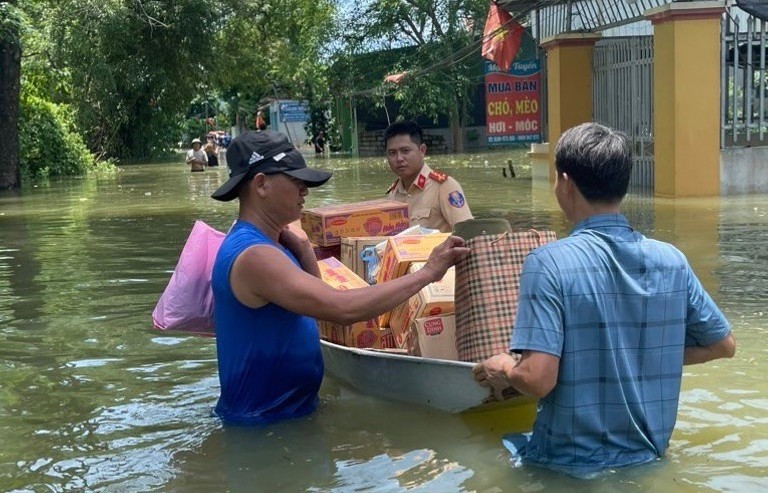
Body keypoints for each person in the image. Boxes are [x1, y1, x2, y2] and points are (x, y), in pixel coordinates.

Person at [471, 122, 736, 478]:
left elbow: (537, 379)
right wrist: (645, 354)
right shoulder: (671, 259)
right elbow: (723, 345)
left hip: (564, 467)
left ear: (565, 184)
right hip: (650, 460)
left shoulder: (548, 262)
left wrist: (502, 365)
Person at [209, 130, 469, 425]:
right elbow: (341, 309)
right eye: (296, 181)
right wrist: (428, 273)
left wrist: (305, 249)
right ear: (261, 184)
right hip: (262, 426)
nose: (305, 191)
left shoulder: (273, 244)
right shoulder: (256, 255)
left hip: (291, 415)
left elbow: (318, 308)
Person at [384, 121, 473, 233]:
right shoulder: (393, 195)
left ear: (422, 150)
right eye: (392, 153)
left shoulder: (444, 187)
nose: (399, 158)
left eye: (405, 151)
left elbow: (468, 233)